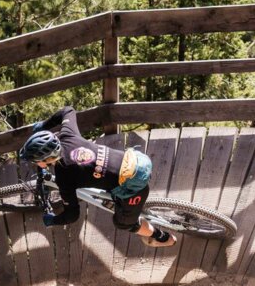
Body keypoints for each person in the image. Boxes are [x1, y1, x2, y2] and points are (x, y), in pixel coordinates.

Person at [18, 106, 176, 248]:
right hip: (133, 160)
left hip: (134, 187)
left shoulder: (64, 176)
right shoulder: (67, 135)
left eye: (36, 161)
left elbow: (72, 215)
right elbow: (68, 110)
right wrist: (44, 125)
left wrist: (53, 220)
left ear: (48, 159)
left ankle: (161, 237)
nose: (35, 163)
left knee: (123, 224)